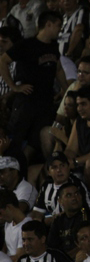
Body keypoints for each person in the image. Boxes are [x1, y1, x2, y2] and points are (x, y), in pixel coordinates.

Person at [0, 10, 68, 155]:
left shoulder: (54, 46)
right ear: (48, 25)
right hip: (26, 101)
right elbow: (3, 61)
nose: (59, 29)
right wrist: (14, 86)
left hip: (45, 101)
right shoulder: (26, 44)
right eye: (57, 25)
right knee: (16, 139)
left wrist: (66, 90)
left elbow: (58, 69)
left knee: (35, 143)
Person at [9, 220, 73, 262]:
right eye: (24, 240)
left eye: (30, 239)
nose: (26, 244)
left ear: (43, 239)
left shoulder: (56, 256)